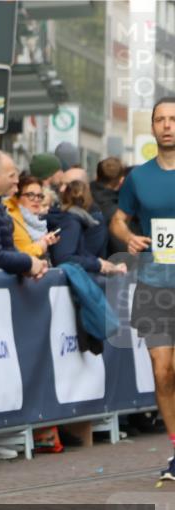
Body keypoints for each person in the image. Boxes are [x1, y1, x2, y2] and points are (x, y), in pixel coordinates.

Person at [111, 98, 175, 482]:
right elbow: (119, 219)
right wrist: (129, 237)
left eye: (173, 119)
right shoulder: (139, 178)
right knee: (162, 370)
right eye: (160, 120)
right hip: (154, 283)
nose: (167, 125)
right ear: (152, 128)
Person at [49, 180, 126, 275]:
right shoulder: (72, 222)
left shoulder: (64, 217)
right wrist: (98, 264)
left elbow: (80, 252)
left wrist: (103, 264)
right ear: (88, 199)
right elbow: (65, 257)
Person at [4, 174, 59, 259]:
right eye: (30, 195)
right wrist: (41, 245)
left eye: (40, 196)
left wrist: (45, 242)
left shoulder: (38, 222)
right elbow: (19, 255)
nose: (36, 200)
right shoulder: (10, 218)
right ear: (17, 197)